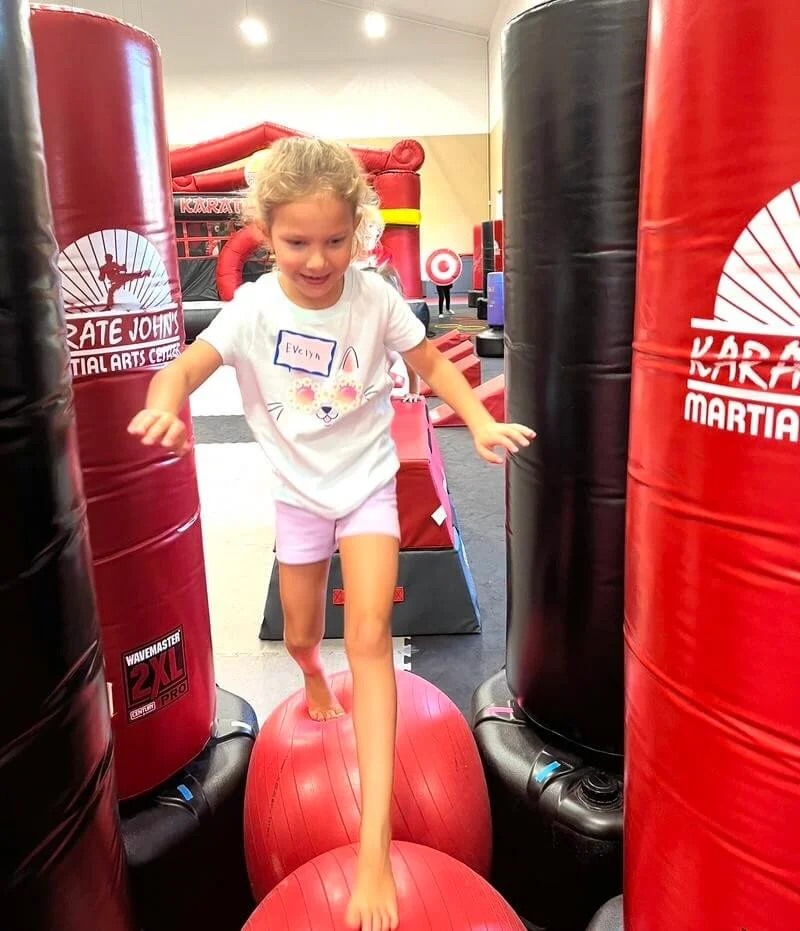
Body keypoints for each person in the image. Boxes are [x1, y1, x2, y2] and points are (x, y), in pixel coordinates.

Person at [127, 137, 534, 931]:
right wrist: (165, 400)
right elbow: (184, 367)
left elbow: (432, 365)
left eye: (335, 240)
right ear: (265, 235)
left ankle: (374, 843)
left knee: (371, 636)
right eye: (297, 242)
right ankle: (313, 674)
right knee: (303, 634)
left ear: (358, 229)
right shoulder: (252, 310)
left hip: (369, 486)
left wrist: (480, 418)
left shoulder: (374, 298)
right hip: (298, 498)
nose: (318, 260)